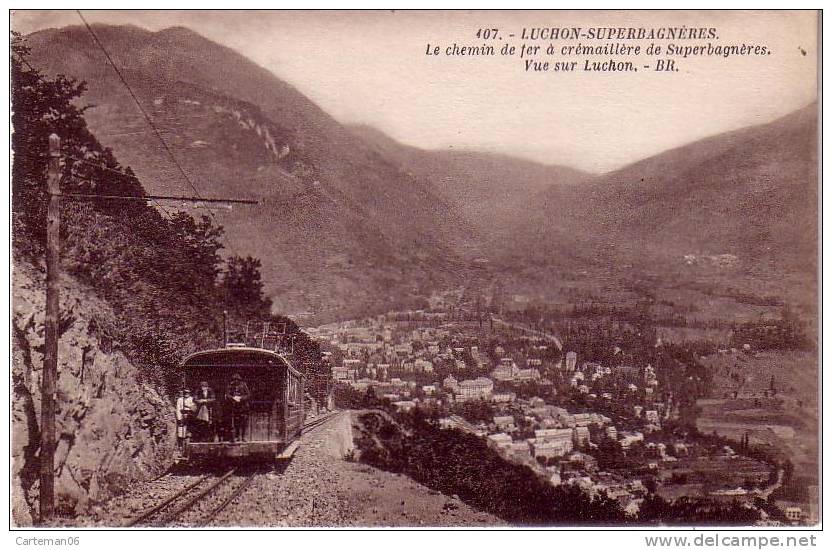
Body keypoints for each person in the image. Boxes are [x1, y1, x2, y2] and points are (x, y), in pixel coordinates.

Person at [225, 373, 251, 442]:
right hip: (234, 407)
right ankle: (235, 437)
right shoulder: (230, 385)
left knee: (243, 422)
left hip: (243, 407)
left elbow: (248, 395)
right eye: (234, 380)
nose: (235, 381)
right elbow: (227, 395)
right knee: (235, 422)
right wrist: (233, 398)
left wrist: (241, 398)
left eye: (237, 380)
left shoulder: (243, 385)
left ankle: (243, 437)